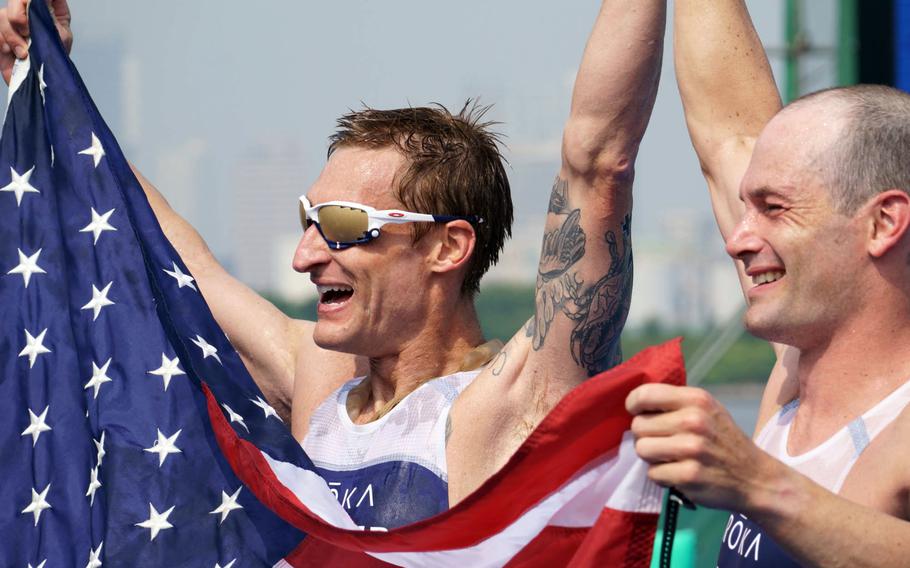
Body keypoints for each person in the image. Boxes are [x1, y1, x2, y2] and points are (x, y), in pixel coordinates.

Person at [0, 0, 668, 528]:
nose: (305, 256)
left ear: (448, 247)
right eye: (308, 223)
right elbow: (171, 254)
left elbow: (599, 162)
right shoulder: (321, 383)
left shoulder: (511, 401)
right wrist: (50, 72)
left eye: (344, 227)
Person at [627, 1, 910, 566]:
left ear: (883, 223)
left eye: (774, 208)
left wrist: (758, 483)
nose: (737, 239)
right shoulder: (792, 376)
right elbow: (727, 133)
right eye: (745, 209)